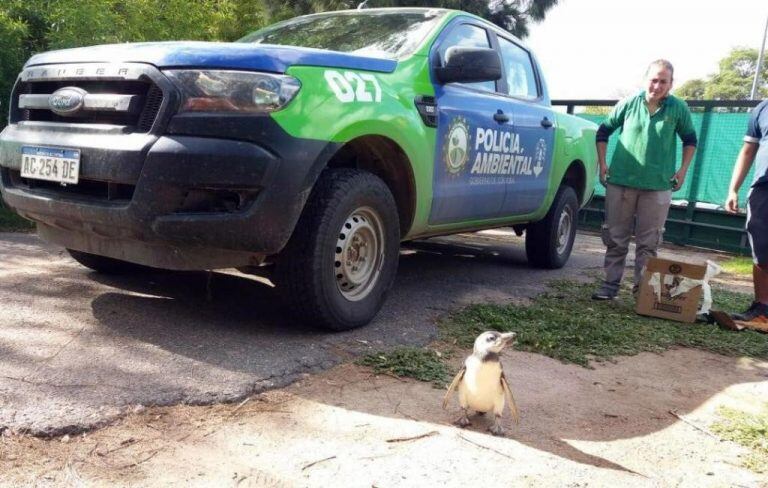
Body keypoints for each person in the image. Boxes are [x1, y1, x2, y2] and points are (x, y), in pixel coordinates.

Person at [592, 59, 698, 300]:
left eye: (663, 81)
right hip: (621, 182)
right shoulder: (629, 103)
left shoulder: (678, 108)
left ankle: (644, 292)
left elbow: (690, 140)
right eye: (654, 80)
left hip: (658, 186)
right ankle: (610, 286)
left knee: (648, 243)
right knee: (616, 237)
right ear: (645, 80)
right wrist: (603, 164)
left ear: (671, 84)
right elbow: (603, 132)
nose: (657, 86)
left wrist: (682, 170)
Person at [724, 99, 768, 324]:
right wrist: (733, 189)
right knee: (760, 245)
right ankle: (762, 309)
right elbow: (748, 150)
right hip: (763, 186)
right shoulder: (762, 108)